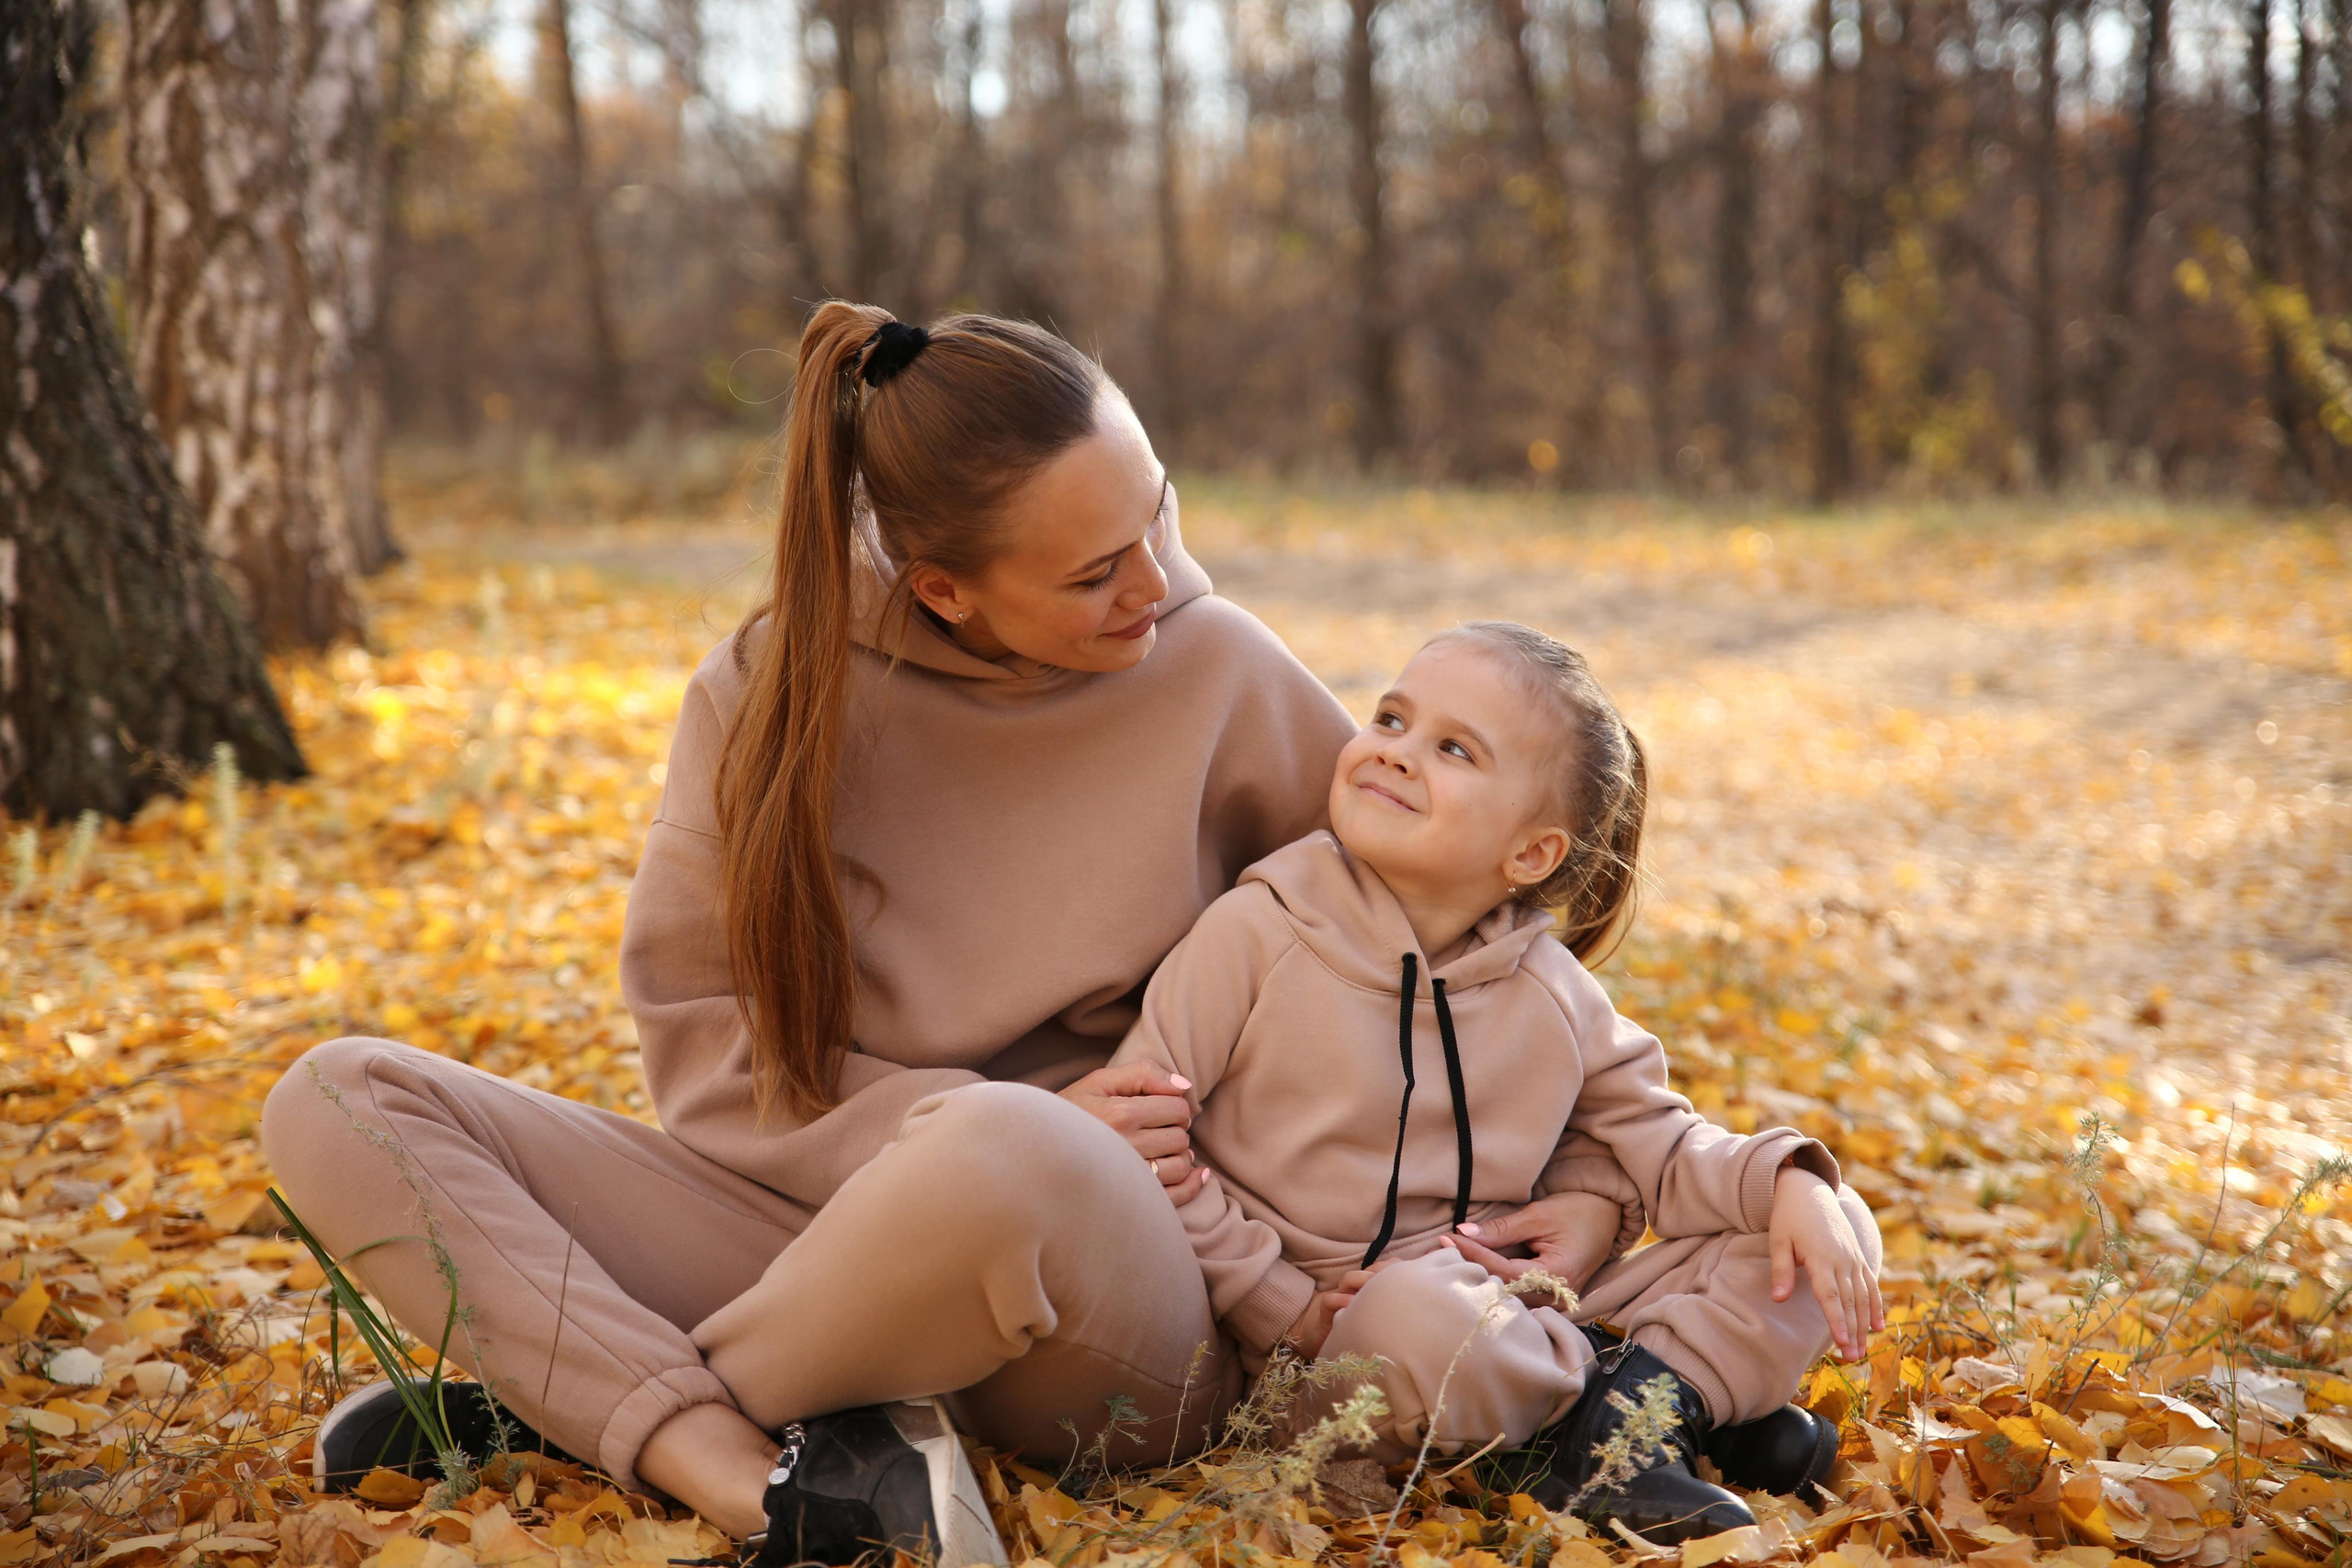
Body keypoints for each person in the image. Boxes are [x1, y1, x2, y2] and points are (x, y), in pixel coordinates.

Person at [263, 303, 1429, 1564]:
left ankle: (592, 1396)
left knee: (1011, 1147)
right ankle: (750, 1467)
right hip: (827, 1232)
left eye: (1156, 515)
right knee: (338, 1096)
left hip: (1128, 1290)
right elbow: (716, 1054)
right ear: (945, 592)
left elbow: (1449, 943)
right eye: (1095, 570)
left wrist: (1591, 1194)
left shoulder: (1220, 670)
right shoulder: (768, 693)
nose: (1152, 579)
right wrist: (922, 1126)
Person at [1107, 622, 1886, 1543]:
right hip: (1332, 1356)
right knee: (1422, 1318)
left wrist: (1790, 1182)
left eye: (1451, 749)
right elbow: (1140, 1135)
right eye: (1391, 718)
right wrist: (1277, 1303)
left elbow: (1667, 1153)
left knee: (1821, 1225)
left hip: (1518, 1318)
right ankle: (1652, 1417)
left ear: (1529, 856)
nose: (1395, 752)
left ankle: (1623, 1437)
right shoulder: (1255, 932)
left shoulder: (1556, 996)